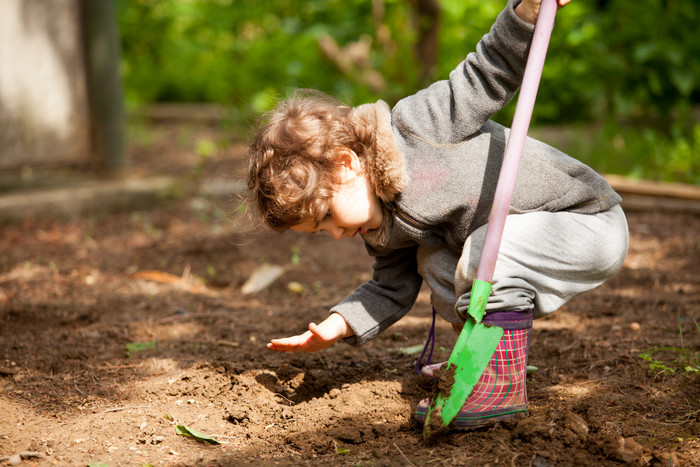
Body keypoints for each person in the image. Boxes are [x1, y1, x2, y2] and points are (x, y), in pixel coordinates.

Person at [247, 0, 628, 429]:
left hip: (586, 223)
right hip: (520, 242)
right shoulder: (384, 230)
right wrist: (337, 325)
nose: (336, 234)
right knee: (438, 261)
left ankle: (497, 385)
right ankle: (479, 360)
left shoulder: (416, 127)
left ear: (346, 163)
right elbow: (389, 288)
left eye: (328, 218)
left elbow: (485, 73)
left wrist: (525, 13)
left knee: (485, 250)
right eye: (321, 231)